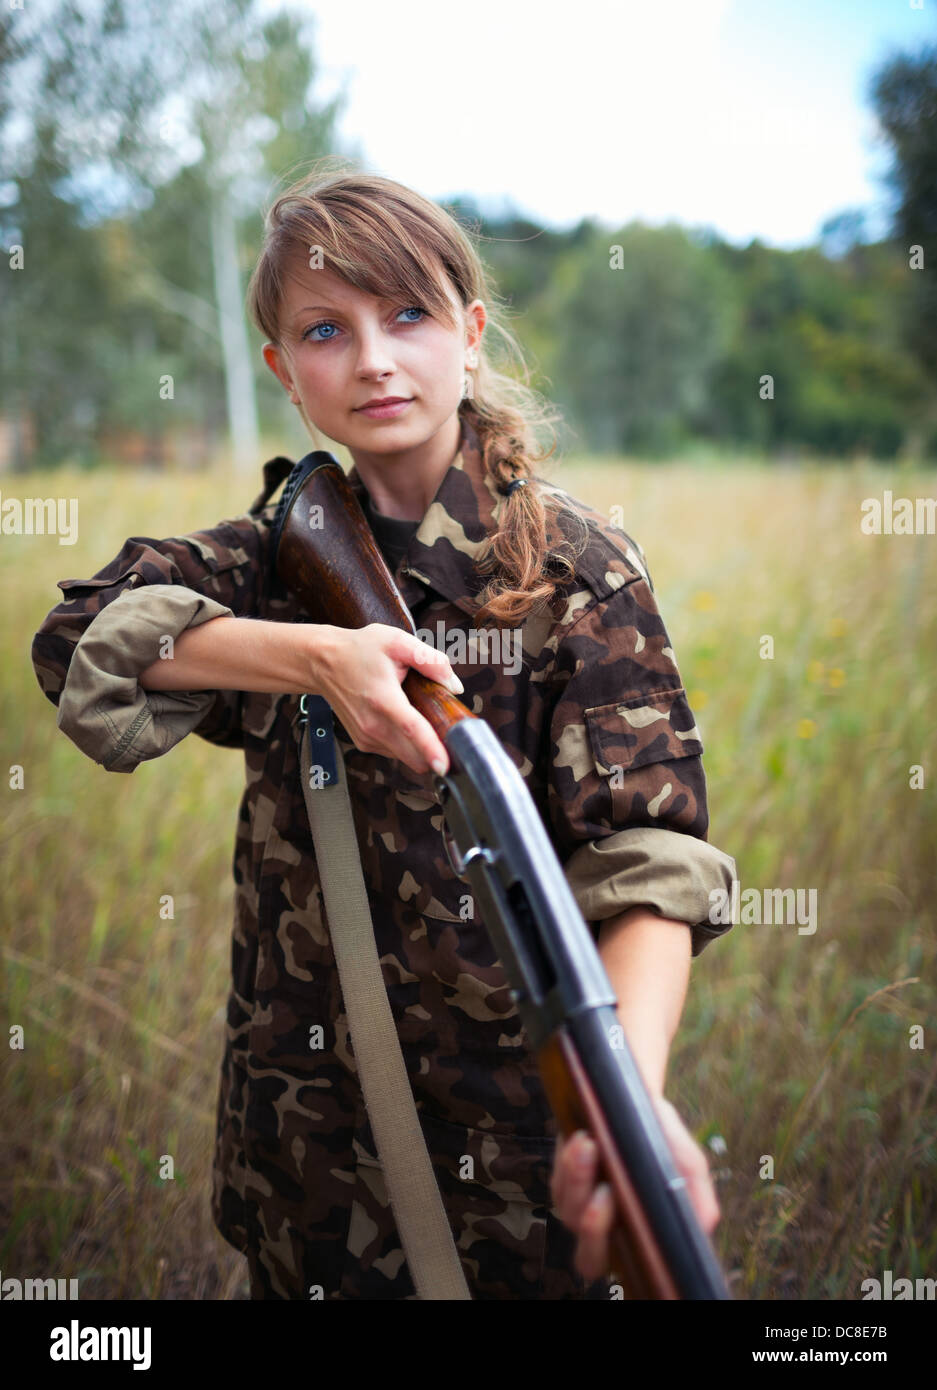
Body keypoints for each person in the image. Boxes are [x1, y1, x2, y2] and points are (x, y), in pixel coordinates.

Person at [31, 163, 737, 1300]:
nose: (372, 357)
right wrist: (312, 656)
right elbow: (81, 641)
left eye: (407, 313)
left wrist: (630, 1103)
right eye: (325, 328)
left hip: (516, 1161)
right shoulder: (274, 560)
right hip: (306, 1165)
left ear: (469, 331)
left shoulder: (574, 570)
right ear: (284, 373)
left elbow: (650, 860)